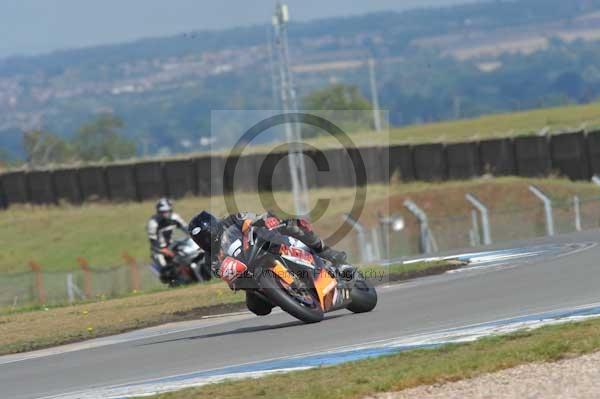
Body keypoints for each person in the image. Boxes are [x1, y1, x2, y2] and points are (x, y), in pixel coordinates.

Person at [187, 210, 348, 274]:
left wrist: (266, 220)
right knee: (257, 308)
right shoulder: (211, 259)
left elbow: (251, 219)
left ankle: (326, 251)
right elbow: (225, 277)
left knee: (292, 226)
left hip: (265, 244)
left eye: (207, 236)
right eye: (201, 240)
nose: (206, 241)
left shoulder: (231, 220)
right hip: (254, 275)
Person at [147, 198, 188, 283]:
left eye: (167, 211)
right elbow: (153, 242)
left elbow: (187, 229)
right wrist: (165, 251)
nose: (165, 214)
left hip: (172, 245)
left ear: (170, 210)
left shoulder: (175, 217)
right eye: (162, 212)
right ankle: (173, 282)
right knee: (168, 271)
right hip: (158, 250)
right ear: (158, 212)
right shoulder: (153, 222)